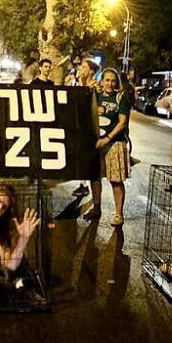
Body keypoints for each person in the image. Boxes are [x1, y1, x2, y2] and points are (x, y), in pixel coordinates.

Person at [84, 69, 132, 225]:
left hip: (114, 143)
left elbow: (122, 122)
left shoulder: (121, 99)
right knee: (95, 177)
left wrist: (107, 138)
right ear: (102, 81)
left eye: (113, 81)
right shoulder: (95, 97)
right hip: (97, 143)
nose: (110, 84)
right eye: (107, 80)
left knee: (116, 180)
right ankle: (96, 208)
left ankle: (118, 214)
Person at [70, 59, 100, 198]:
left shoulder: (95, 86)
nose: (81, 69)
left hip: (91, 126)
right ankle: (83, 184)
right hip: (80, 124)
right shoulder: (78, 84)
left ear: (91, 71)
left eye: (84, 67)